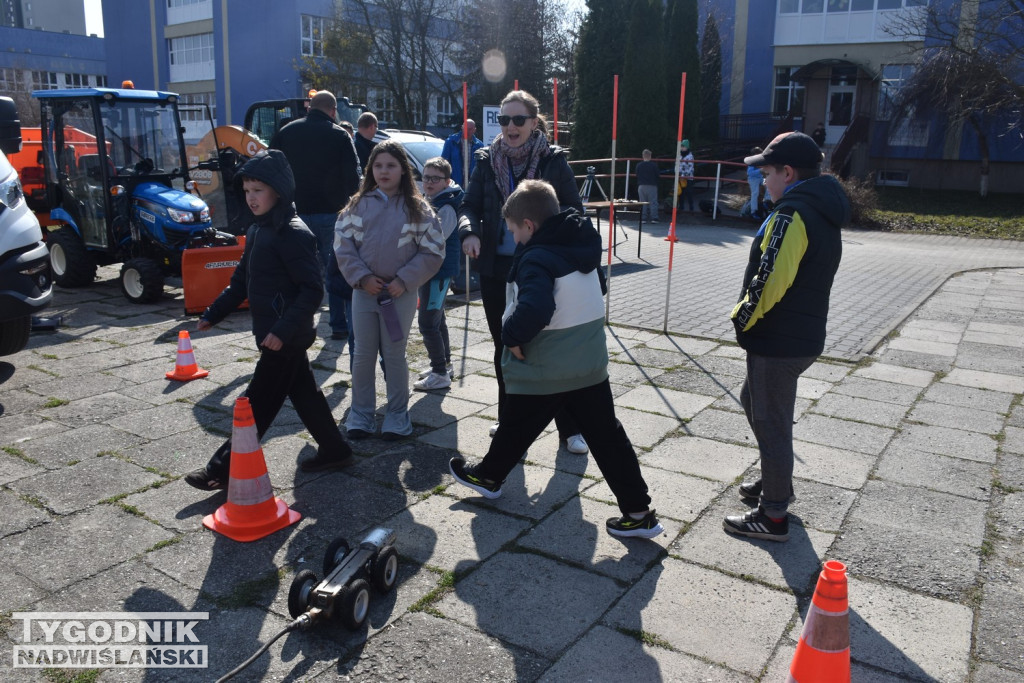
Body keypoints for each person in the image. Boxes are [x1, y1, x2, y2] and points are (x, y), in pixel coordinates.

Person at [449, 180, 664, 539]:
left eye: (514, 231)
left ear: (529, 226)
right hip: (587, 362)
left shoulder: (536, 257)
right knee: (608, 438)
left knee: (518, 422)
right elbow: (597, 287)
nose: (514, 239)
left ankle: (488, 476)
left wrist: (512, 336)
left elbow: (536, 306)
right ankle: (640, 512)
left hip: (547, 364)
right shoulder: (581, 245)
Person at [184, 150, 353, 491]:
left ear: (278, 190)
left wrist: (281, 330)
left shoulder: (294, 233)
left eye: (258, 190)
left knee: (254, 404)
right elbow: (241, 281)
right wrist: (214, 313)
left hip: (284, 338)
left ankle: (222, 468)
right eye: (247, 191)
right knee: (304, 394)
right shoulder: (258, 230)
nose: (251, 198)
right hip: (274, 334)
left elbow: (311, 290)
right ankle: (335, 449)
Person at [724, 132, 848, 542]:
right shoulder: (820, 208)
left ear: (788, 173)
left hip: (778, 340)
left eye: (766, 173)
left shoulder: (792, 214)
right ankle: (775, 480)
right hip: (800, 335)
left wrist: (741, 318)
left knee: (771, 421)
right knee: (754, 400)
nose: (763, 180)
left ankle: (773, 514)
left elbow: (769, 280)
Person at [458, 89, 589, 456]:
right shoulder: (487, 159)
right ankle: (509, 418)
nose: (510, 127)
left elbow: (573, 211)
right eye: (503, 120)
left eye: (518, 119)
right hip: (497, 268)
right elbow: (468, 203)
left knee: (551, 346)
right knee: (506, 344)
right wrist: (468, 231)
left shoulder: (553, 160)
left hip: (542, 268)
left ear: (534, 122)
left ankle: (570, 428)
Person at [335, 140, 445, 440]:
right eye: (378, 165)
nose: (384, 171)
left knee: (394, 354)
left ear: (403, 170)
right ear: (371, 169)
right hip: (364, 292)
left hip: (399, 294)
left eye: (391, 165)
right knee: (362, 354)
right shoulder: (357, 205)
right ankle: (361, 414)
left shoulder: (418, 208)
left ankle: (397, 416)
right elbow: (343, 246)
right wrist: (361, 278)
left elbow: (433, 251)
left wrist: (404, 281)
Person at [270, 90, 361, 343]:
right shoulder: (340, 135)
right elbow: (353, 177)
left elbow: (270, 168)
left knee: (297, 271)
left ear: (310, 107)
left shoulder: (286, 132)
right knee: (338, 269)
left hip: (294, 214)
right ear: (333, 111)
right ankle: (338, 325)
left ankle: (295, 323)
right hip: (332, 214)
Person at [414, 157, 463, 391]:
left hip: (439, 272)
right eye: (426, 177)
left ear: (446, 181)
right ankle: (444, 364)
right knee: (437, 318)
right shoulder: (432, 199)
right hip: (430, 271)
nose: (429, 182)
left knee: (427, 323)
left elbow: (435, 239)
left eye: (435, 178)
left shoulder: (447, 205)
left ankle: (440, 373)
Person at [441, 119, 484, 189]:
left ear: (474, 130)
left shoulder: (479, 145)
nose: (467, 131)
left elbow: (481, 167)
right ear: (462, 127)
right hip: (453, 185)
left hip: (472, 186)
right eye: (465, 128)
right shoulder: (451, 142)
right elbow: (443, 163)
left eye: (470, 129)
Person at [635, 149, 660, 223]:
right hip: (652, 185)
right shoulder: (654, 165)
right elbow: (657, 175)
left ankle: (643, 218)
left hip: (641, 186)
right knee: (653, 202)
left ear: (643, 156)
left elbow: (637, 174)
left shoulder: (639, 165)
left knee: (642, 202)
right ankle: (654, 218)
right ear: (650, 156)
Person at [677, 139, 696, 212]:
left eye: (683, 146)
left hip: (688, 178)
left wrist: (683, 175)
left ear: (687, 147)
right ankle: (681, 207)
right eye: (681, 146)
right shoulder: (680, 155)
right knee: (681, 192)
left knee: (689, 192)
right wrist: (678, 173)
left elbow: (690, 168)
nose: (682, 148)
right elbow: (677, 165)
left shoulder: (690, 156)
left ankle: (691, 207)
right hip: (681, 177)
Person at [746, 146, 764, 220]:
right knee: (755, 193)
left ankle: (767, 203)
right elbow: (749, 173)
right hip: (753, 179)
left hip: (761, 178)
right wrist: (760, 171)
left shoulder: (760, 160)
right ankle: (753, 211)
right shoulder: (752, 162)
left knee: (770, 186)